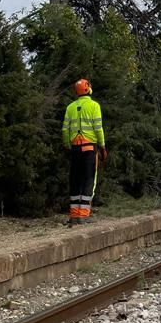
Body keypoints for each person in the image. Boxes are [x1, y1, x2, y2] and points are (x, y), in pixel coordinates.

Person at [62, 79, 107, 225]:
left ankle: (74, 216)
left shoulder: (70, 107)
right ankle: (83, 215)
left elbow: (64, 129)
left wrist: (67, 145)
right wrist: (102, 147)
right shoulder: (94, 106)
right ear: (88, 90)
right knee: (88, 180)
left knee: (75, 180)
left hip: (75, 149)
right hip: (89, 149)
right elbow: (98, 128)